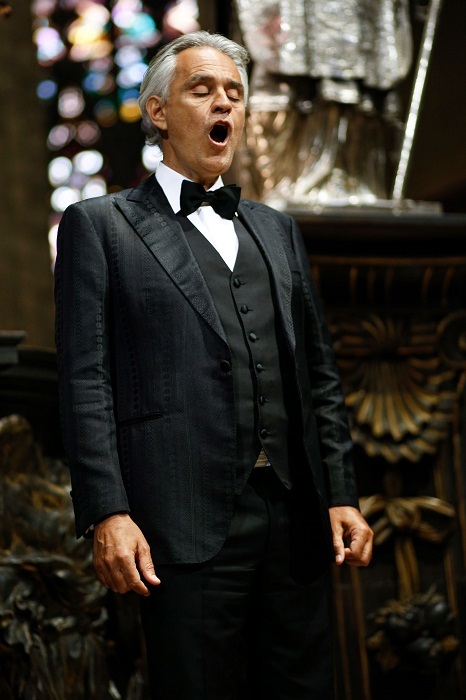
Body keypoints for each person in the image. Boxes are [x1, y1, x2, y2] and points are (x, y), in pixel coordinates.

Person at [55, 30, 373, 700]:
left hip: (295, 520)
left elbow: (318, 375)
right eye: (202, 90)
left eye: (234, 92)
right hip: (179, 523)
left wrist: (341, 492)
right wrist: (108, 512)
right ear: (159, 112)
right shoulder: (100, 226)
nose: (223, 102)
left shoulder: (276, 229)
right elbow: (86, 381)